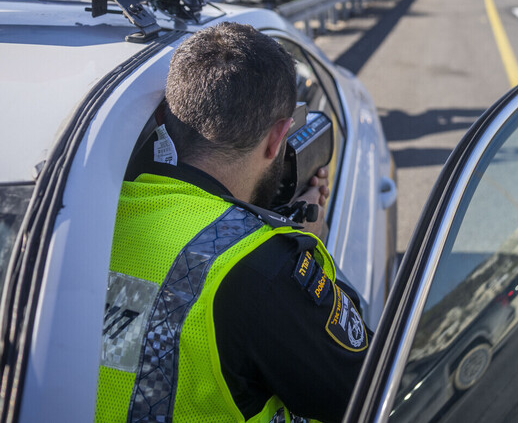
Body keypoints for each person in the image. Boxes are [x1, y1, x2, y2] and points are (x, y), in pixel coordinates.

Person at [96, 22, 368, 423]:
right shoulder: (265, 269)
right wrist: (313, 241)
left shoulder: (90, 209)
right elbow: (365, 388)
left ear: (162, 115)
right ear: (278, 139)